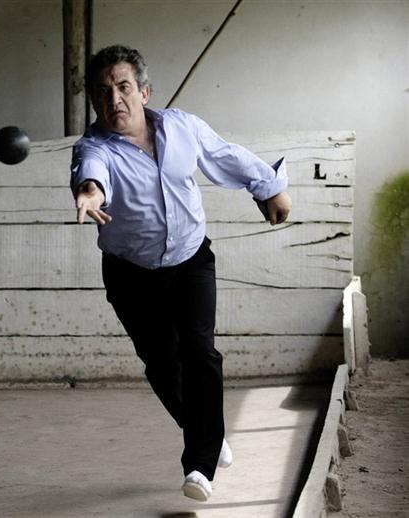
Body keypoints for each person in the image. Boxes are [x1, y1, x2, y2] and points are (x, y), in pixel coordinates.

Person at [70, 45, 291, 501]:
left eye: (123, 87)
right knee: (162, 364)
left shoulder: (182, 126)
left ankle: (199, 467)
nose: (115, 99)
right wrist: (90, 193)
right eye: (103, 92)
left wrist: (269, 188)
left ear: (144, 92)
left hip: (191, 260)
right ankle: (206, 429)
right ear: (94, 101)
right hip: (131, 274)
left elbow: (225, 155)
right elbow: (92, 174)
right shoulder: (94, 147)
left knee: (199, 352)